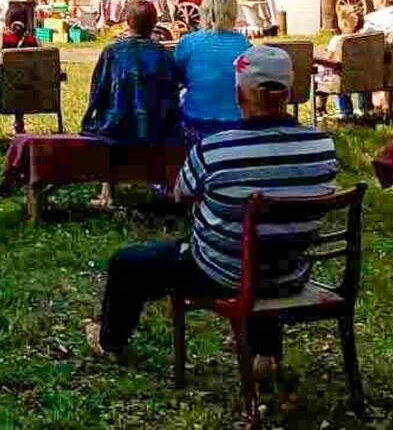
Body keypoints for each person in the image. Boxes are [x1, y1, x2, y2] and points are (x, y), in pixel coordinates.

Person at [87, 45, 339, 378]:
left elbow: (182, 194)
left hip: (223, 273)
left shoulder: (215, 149)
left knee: (128, 264)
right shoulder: (321, 146)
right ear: (291, 92)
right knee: (264, 243)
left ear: (239, 94)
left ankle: (109, 342)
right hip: (291, 271)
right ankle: (264, 353)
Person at [81, 0, 180, 206]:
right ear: (154, 23)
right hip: (155, 127)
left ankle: (107, 192)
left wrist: (89, 118)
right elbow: (171, 94)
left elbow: (98, 90)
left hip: (117, 127)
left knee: (106, 120)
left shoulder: (112, 52)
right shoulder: (163, 55)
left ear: (127, 21)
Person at [173, 0, 252, 140]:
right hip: (236, 121)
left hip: (196, 120)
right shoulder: (244, 44)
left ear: (204, 11)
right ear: (233, 13)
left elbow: (178, 77)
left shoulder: (188, 42)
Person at [0, 3, 40, 134]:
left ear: (7, 20)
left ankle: (18, 123)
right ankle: (19, 122)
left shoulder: (2, 39)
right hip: (32, 94)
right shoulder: (34, 41)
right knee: (22, 79)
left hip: (4, 93)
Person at [315, 6, 365, 119]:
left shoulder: (338, 40)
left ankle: (323, 107)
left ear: (343, 23)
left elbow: (328, 58)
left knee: (323, 72)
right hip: (363, 77)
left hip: (343, 78)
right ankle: (364, 108)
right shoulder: (364, 38)